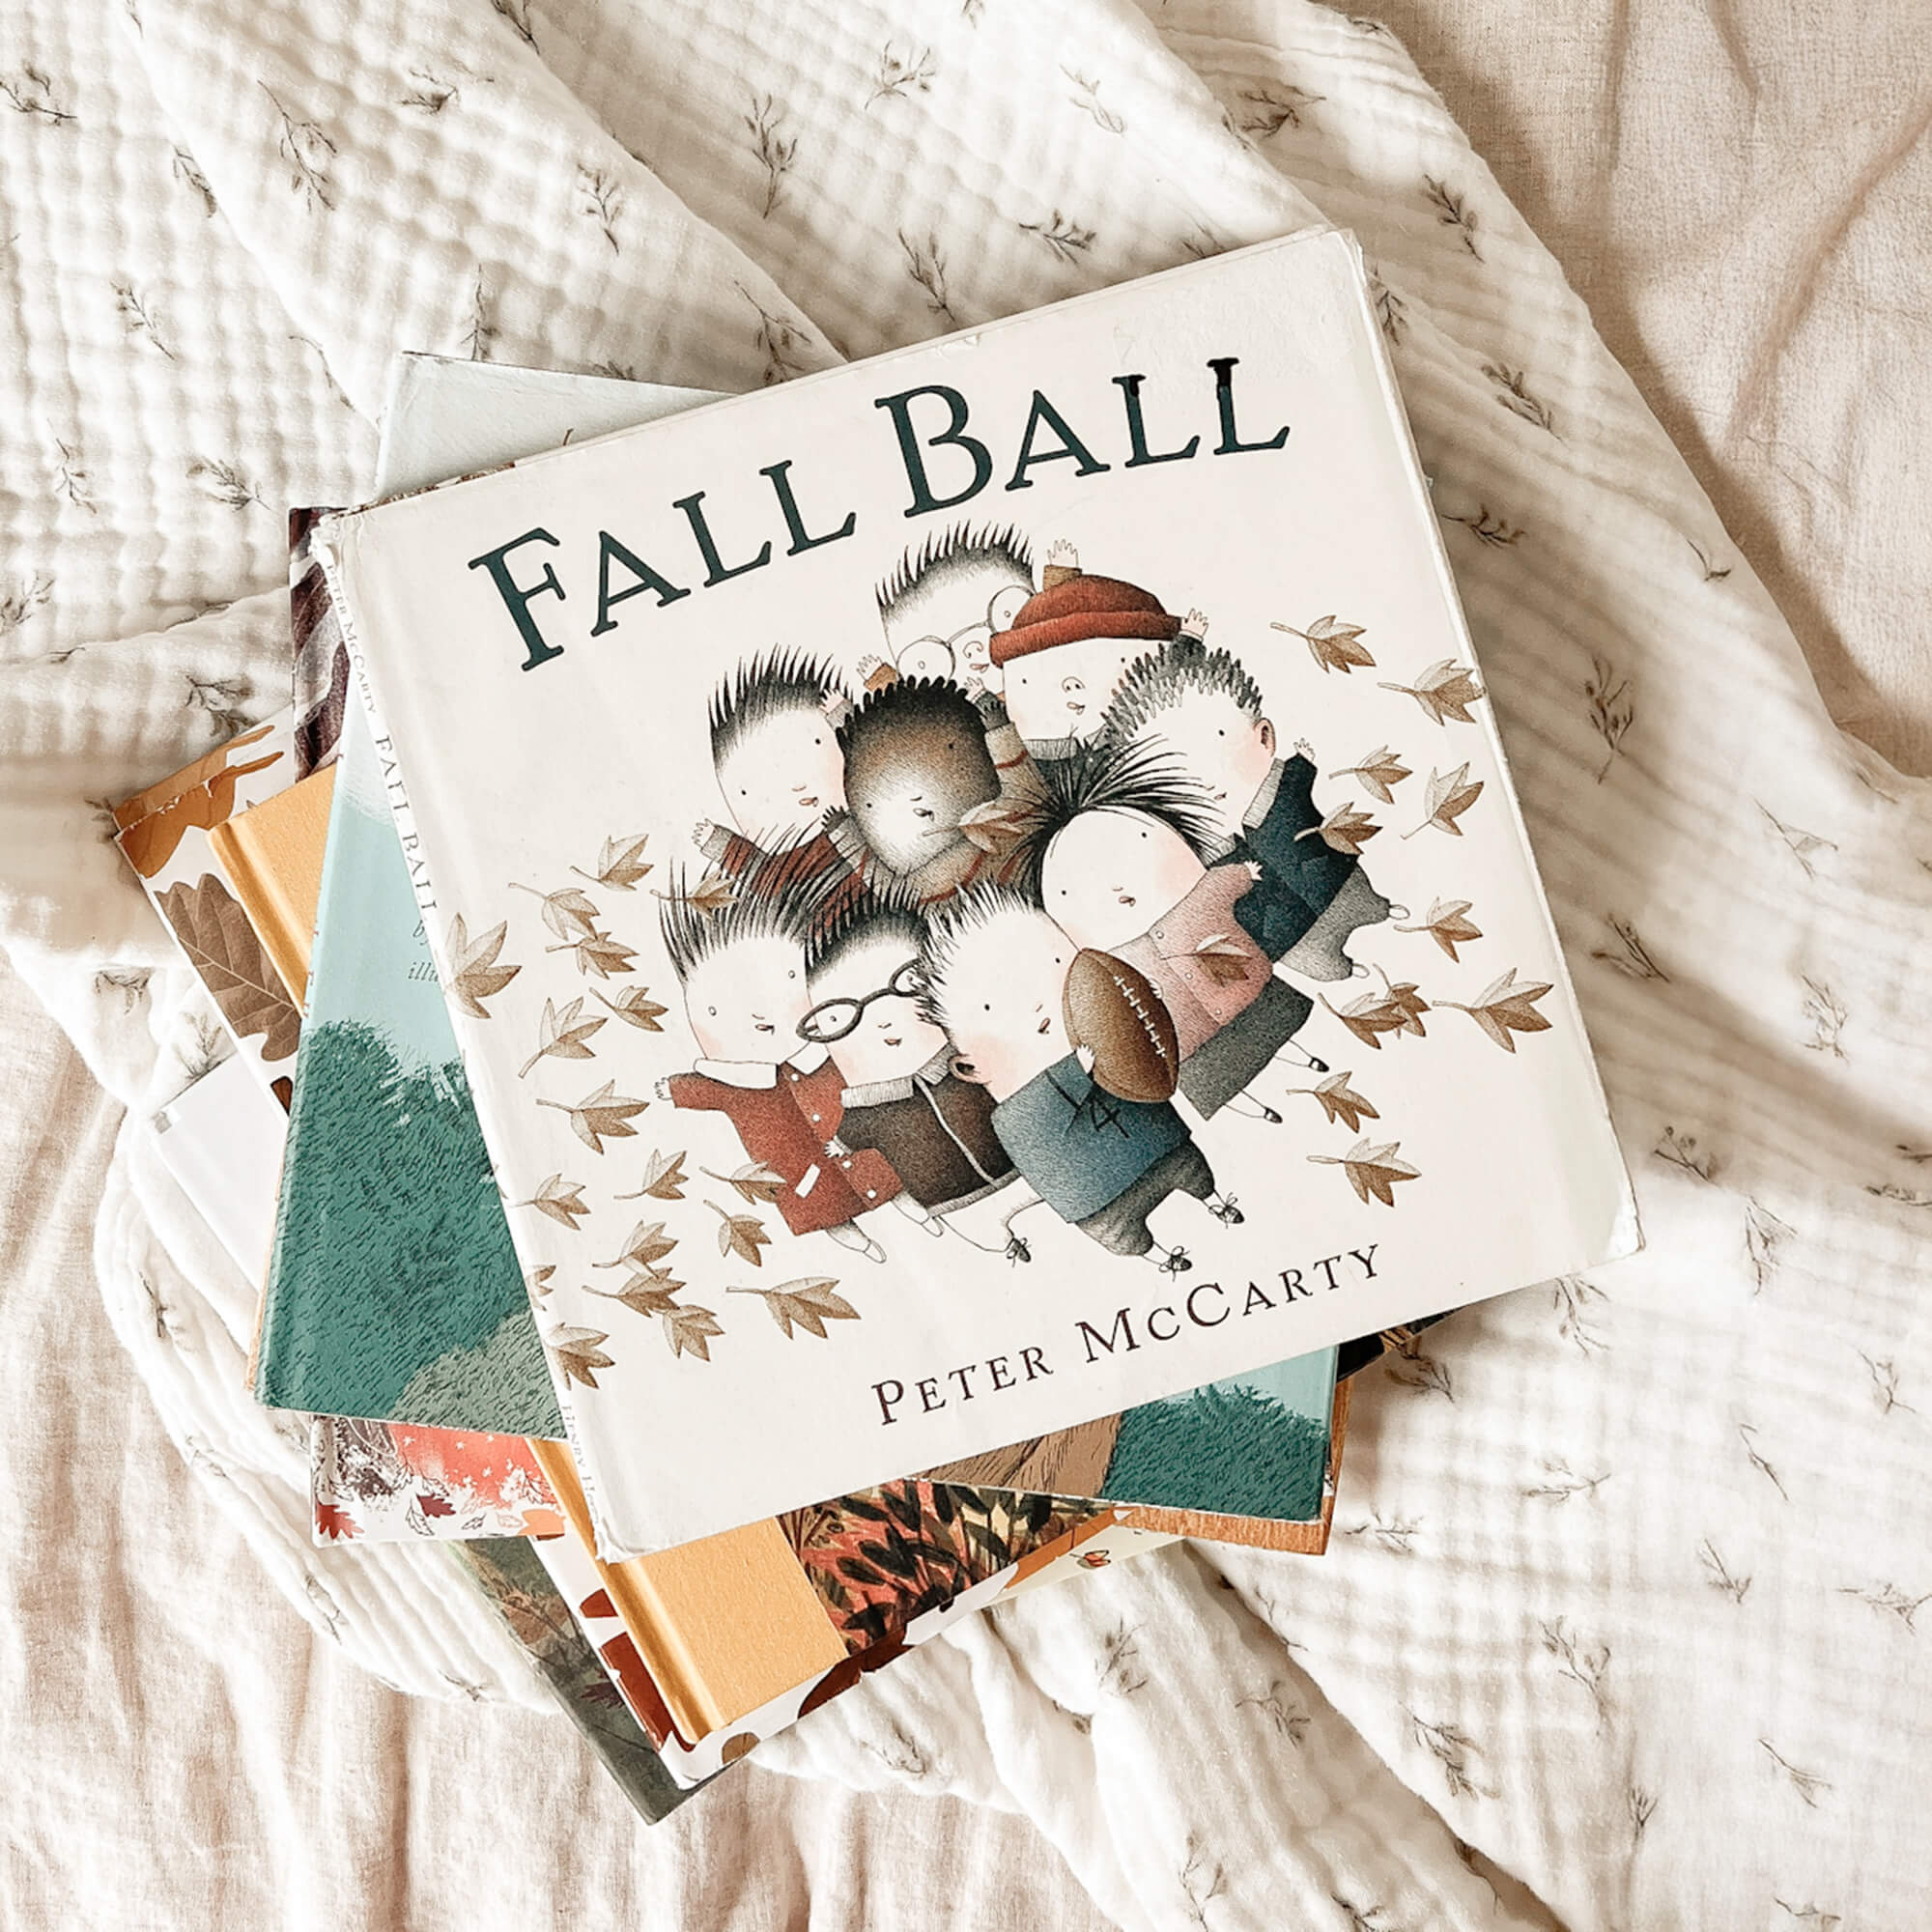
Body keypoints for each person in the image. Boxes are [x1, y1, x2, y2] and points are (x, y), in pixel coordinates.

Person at [918, 881, 1241, 1272]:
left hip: (1157, 1143)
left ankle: (1214, 1201)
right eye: (993, 1006)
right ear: (971, 1069)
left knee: (1191, 1171)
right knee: (1125, 1235)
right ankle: (1162, 1257)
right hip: (1097, 1194)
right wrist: (1076, 1071)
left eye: (1052, 965)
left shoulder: (1104, 1034)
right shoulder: (1011, 1117)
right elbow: (1037, 1121)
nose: (1040, 1005)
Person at [1027, 743, 1325, 1122]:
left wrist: (1243, 875)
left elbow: (1218, 887)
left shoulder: (1194, 902)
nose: (1117, 888)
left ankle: (1305, 1059)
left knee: (1276, 1031)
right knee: (1223, 1079)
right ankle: (1262, 1110)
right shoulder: (1112, 966)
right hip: (1191, 1042)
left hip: (1247, 996)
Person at [656, 848, 901, 1263]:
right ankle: (862, 1244)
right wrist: (675, 1089)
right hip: (799, 1170)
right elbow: (706, 1090)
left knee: (888, 1171)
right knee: (826, 1211)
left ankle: (909, 1208)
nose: (758, 1015)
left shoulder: (829, 1048)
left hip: (858, 1140)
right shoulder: (737, 1085)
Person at [1100, 638, 1392, 980]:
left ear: (1264, 738)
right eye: (1175, 780)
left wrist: (1302, 764)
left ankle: (1379, 908)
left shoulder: (1278, 793)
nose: (1204, 784)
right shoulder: (1198, 851)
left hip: (1331, 874)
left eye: (1214, 757)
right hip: (1282, 929)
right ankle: (1341, 969)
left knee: (1361, 900)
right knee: (1318, 960)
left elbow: (1296, 791)